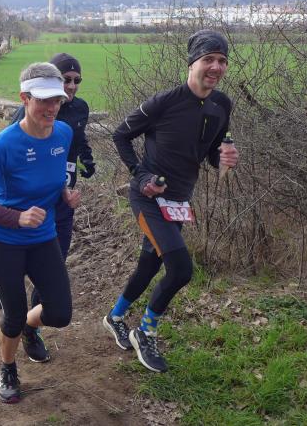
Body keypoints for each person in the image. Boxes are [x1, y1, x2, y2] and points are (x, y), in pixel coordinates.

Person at [102, 29, 239, 374]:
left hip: (179, 201)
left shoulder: (222, 105)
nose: (216, 67)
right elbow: (121, 134)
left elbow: (210, 152)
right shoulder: (164, 102)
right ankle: (145, 332)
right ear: (192, 63)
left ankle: (115, 316)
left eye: (222, 60)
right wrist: (140, 175)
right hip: (148, 198)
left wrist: (223, 159)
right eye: (208, 59)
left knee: (150, 264)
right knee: (180, 269)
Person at [0, 62, 80, 403]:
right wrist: (17, 218)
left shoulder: (63, 133)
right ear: (24, 98)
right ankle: (7, 367)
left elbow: (53, 175)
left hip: (43, 236)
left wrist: (64, 193)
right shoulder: (5, 145)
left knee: (60, 312)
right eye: (43, 100)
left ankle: (31, 329)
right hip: (4, 240)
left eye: (56, 100)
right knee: (12, 315)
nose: (51, 107)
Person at [0, 53, 96, 356]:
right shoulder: (14, 131)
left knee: (54, 288)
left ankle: (30, 328)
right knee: (13, 302)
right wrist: (17, 216)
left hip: (55, 212)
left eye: (75, 81)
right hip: (14, 222)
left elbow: (71, 148)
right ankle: (5, 295)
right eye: (65, 80)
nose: (70, 86)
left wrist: (72, 180)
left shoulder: (74, 117)